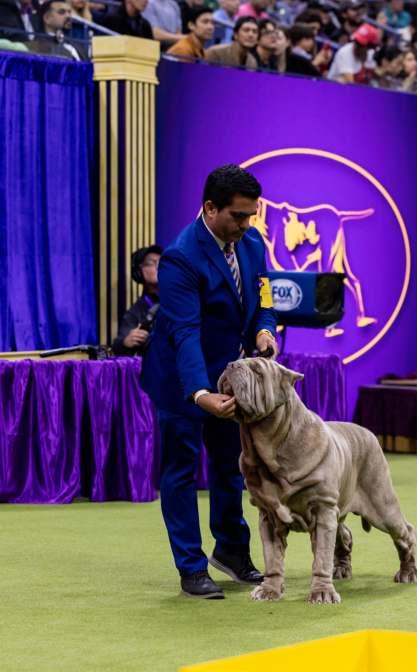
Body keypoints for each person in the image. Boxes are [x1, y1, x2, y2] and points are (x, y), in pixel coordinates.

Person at [140, 164, 278, 599]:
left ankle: (232, 551)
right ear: (210, 208)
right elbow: (185, 333)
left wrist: (264, 330)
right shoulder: (181, 257)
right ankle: (191, 567)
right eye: (238, 216)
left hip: (228, 375)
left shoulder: (252, 242)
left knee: (230, 464)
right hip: (181, 379)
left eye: (251, 215)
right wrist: (201, 393)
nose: (246, 224)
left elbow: (263, 297)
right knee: (181, 471)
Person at [112, 245, 162, 356]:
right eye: (151, 263)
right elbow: (117, 346)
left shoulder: (180, 300)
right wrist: (125, 343)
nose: (159, 266)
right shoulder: (135, 313)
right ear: (139, 272)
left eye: (162, 262)